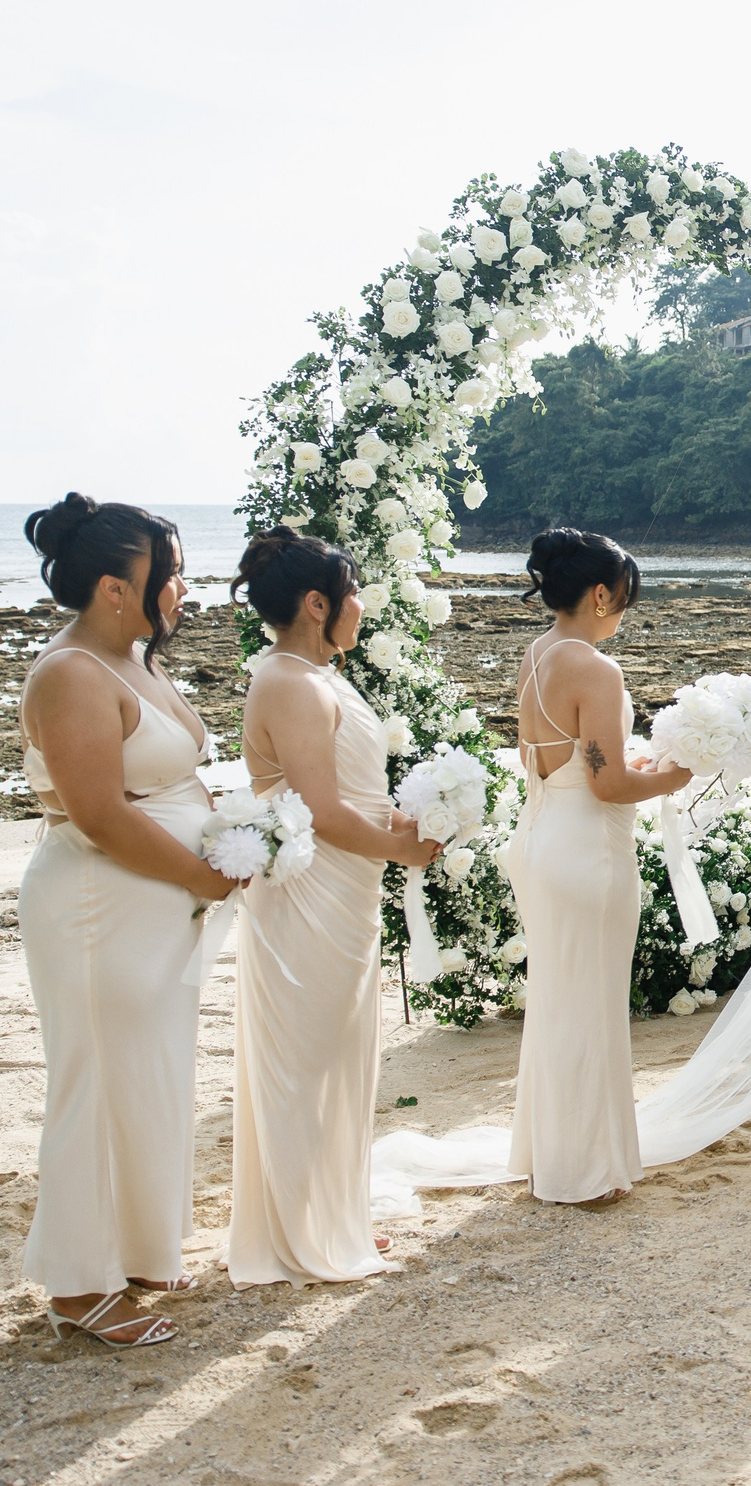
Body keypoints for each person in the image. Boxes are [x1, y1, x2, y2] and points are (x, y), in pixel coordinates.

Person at [15, 495, 241, 1347]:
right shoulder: (70, 673)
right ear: (116, 587)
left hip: (153, 911)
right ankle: (79, 1286)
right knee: (96, 1082)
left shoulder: (136, 660)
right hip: (95, 908)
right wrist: (204, 876)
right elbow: (102, 814)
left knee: (147, 1078)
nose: (181, 587)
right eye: (168, 573)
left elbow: (172, 781)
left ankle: (139, 1253)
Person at [225, 528, 441, 1286]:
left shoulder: (324, 675)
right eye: (351, 593)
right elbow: (318, 811)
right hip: (310, 893)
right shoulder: (288, 681)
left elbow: (352, 797)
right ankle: (299, 1233)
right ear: (317, 604)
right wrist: (405, 848)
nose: (361, 605)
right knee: (307, 1058)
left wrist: (415, 820)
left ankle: (336, 1214)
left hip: (347, 888)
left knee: (342, 1055)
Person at [502, 528, 695, 1204]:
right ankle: (583, 1173)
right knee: (590, 1007)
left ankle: (547, 1155)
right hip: (587, 850)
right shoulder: (595, 667)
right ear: (601, 593)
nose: (624, 613)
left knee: (560, 999)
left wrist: (631, 768)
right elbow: (608, 785)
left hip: (542, 834)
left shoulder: (538, 653)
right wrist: (675, 777)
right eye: (624, 600)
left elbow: (575, 762)